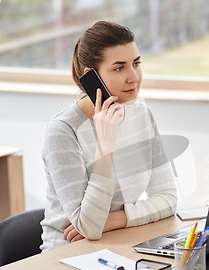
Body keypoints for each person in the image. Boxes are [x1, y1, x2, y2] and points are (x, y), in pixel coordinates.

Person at [40, 21, 177, 251]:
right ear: (91, 76)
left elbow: (168, 199)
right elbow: (90, 228)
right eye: (119, 68)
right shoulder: (63, 131)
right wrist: (105, 144)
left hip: (120, 242)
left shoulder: (141, 115)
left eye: (136, 63)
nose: (134, 77)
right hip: (67, 254)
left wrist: (114, 220)